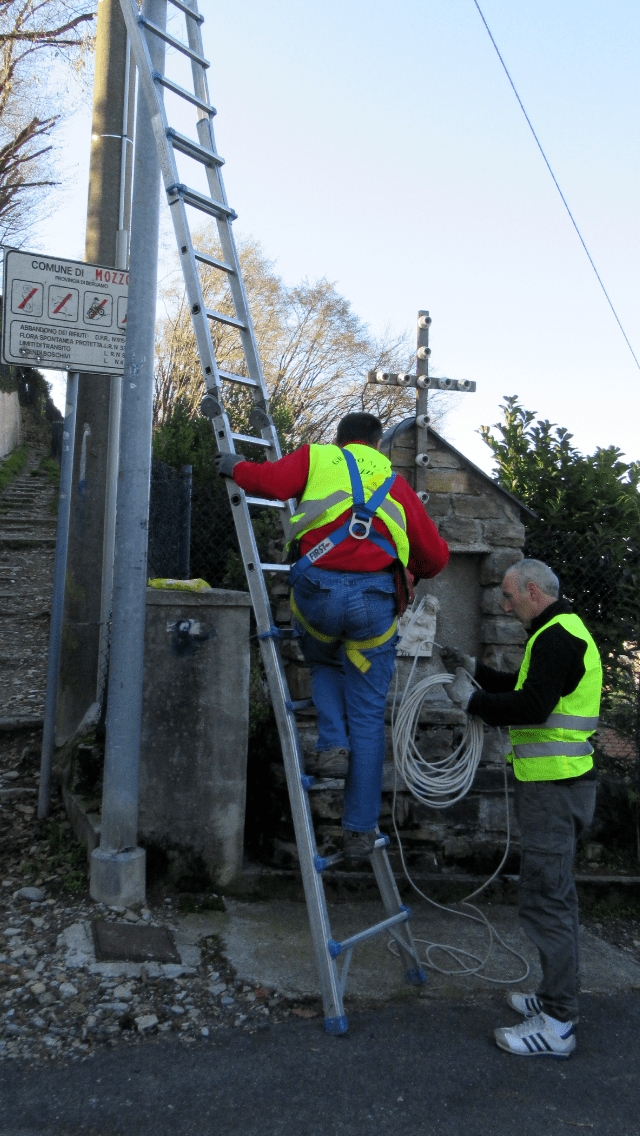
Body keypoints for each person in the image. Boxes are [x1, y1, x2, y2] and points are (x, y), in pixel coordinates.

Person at [215, 412, 449, 862]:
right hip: (374, 608)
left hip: (317, 596)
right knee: (368, 718)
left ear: (340, 440)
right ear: (377, 445)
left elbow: (269, 483)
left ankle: (331, 745)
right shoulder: (396, 485)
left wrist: (233, 466)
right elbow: (435, 559)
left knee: (323, 661)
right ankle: (359, 833)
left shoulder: (318, 458)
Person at [445, 558, 602, 1059]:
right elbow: (525, 691)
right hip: (559, 787)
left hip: (555, 791)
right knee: (556, 896)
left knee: (545, 899)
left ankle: (557, 1023)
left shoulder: (555, 637)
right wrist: (477, 673)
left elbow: (532, 707)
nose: (507, 606)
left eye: (510, 597)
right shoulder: (560, 632)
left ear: (533, 591)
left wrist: (471, 702)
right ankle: (557, 994)